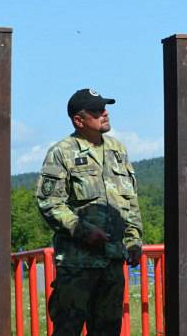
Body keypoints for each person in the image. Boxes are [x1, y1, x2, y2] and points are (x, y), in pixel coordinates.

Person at [36, 89, 143, 336]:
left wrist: (134, 241)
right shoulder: (61, 152)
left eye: (104, 108)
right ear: (79, 120)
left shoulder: (118, 150)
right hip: (78, 266)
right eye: (96, 110)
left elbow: (130, 202)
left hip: (113, 264)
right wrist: (83, 231)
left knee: (108, 331)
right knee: (67, 330)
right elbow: (49, 202)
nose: (104, 113)